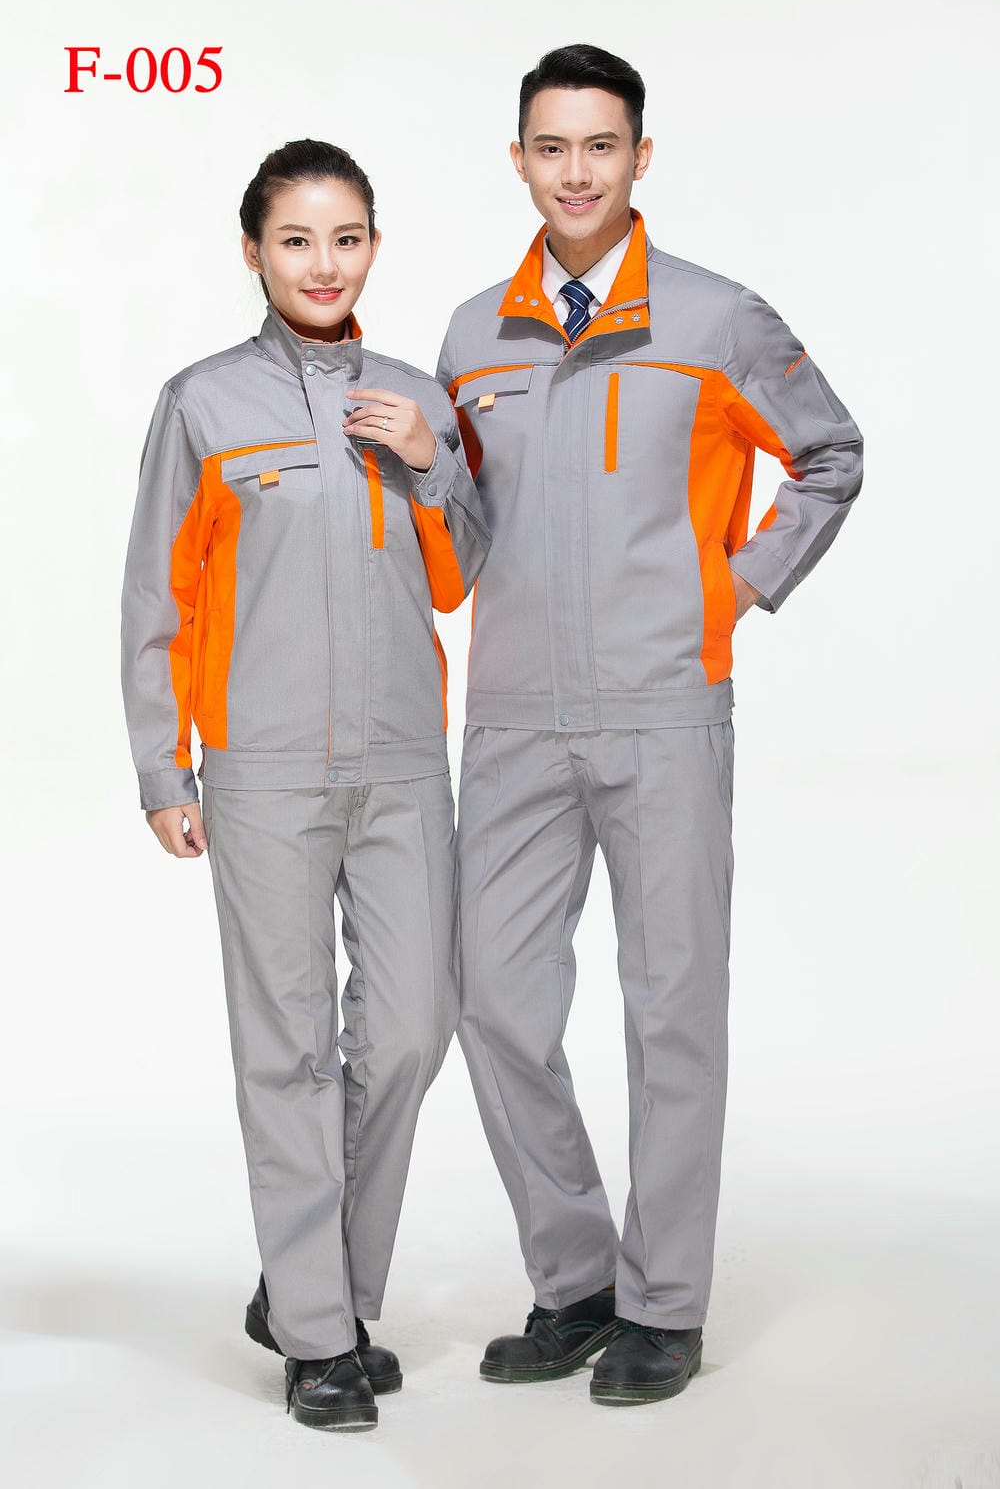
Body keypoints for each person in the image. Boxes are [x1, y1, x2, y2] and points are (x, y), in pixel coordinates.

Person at [438, 45, 862, 1408]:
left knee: (671, 1008)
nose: (577, 172)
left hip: (664, 708)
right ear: (518, 160)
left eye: (601, 145)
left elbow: (832, 453)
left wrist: (734, 588)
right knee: (492, 1000)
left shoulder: (715, 318)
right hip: (512, 715)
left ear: (640, 156)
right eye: (552, 147)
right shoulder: (471, 338)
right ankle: (577, 1281)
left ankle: (665, 1305)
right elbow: (464, 535)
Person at [121, 139, 489, 1432]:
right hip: (264, 772)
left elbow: (459, 575)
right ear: (255, 252)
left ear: (373, 246)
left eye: (345, 239)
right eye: (296, 240)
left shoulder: (417, 397)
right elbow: (158, 597)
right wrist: (164, 763)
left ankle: (302, 1286)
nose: (323, 264)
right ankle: (324, 1337)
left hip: (402, 763)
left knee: (415, 1024)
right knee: (287, 1051)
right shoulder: (204, 404)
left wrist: (432, 460)